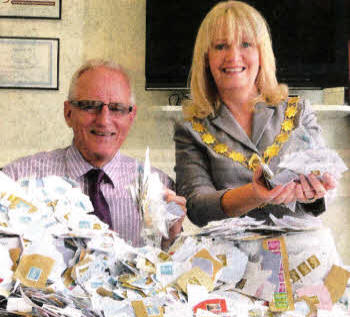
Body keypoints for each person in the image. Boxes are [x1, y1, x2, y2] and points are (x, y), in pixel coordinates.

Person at [174, 1, 336, 227]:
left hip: (302, 254)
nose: (233, 56)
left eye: (246, 44)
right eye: (221, 46)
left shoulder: (298, 112)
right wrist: (254, 193)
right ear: (205, 57)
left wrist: (316, 192)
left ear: (262, 53)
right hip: (231, 258)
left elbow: (325, 187)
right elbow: (197, 207)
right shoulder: (190, 129)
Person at [3, 59, 186, 247]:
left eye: (117, 108)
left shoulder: (161, 187)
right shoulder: (15, 181)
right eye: (90, 106)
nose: (104, 120)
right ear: (68, 113)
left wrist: (170, 239)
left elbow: (171, 267)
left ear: (131, 117)